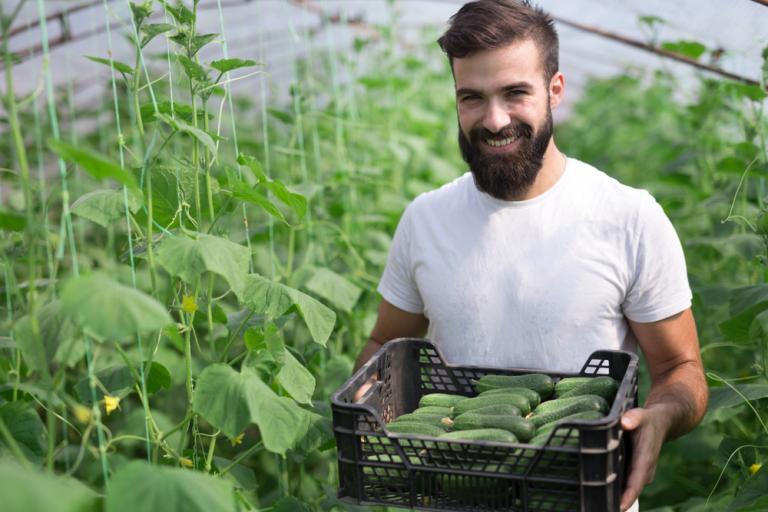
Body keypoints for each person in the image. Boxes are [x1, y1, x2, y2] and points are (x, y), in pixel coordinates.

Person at [352, 1, 708, 511]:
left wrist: (660, 416)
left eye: (515, 93)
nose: (494, 120)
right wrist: (365, 417)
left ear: (554, 91)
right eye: (472, 98)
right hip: (450, 494)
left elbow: (681, 367)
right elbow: (387, 341)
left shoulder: (628, 216)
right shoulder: (425, 219)